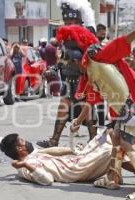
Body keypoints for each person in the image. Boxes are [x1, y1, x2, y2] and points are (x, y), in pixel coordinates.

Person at [59, 21, 135, 200]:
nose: (72, 65)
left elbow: (124, 41)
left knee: (127, 142)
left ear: (76, 58)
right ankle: (113, 176)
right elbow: (91, 101)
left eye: (71, 61)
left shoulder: (100, 56)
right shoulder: (90, 72)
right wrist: (77, 122)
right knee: (115, 136)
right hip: (120, 107)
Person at [1, 130, 135, 186]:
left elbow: (55, 151)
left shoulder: (35, 153)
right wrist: (27, 165)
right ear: (19, 148)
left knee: (107, 134)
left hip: (78, 159)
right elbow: (47, 180)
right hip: (76, 169)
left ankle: (115, 172)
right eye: (23, 140)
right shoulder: (25, 166)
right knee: (112, 148)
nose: (27, 141)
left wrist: (74, 150)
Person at [36, 0, 98, 148]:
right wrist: (54, 69)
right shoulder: (65, 37)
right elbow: (63, 59)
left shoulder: (86, 34)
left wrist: (78, 59)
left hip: (83, 79)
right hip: (68, 79)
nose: (69, 22)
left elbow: (91, 57)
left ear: (78, 19)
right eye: (67, 19)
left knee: (87, 110)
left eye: (72, 19)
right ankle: (54, 141)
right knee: (63, 108)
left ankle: (94, 141)